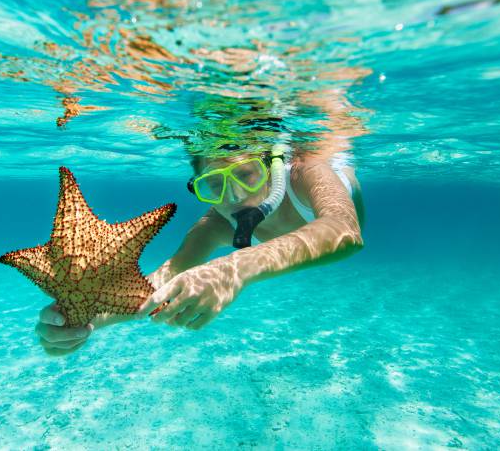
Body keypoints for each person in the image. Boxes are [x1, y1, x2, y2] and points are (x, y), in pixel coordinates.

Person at [35, 142, 365, 356]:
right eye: (215, 183)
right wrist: (80, 319)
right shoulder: (218, 223)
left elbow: (345, 229)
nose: (234, 196)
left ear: (273, 166)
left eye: (247, 175)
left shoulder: (306, 173)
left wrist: (231, 270)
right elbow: (162, 278)